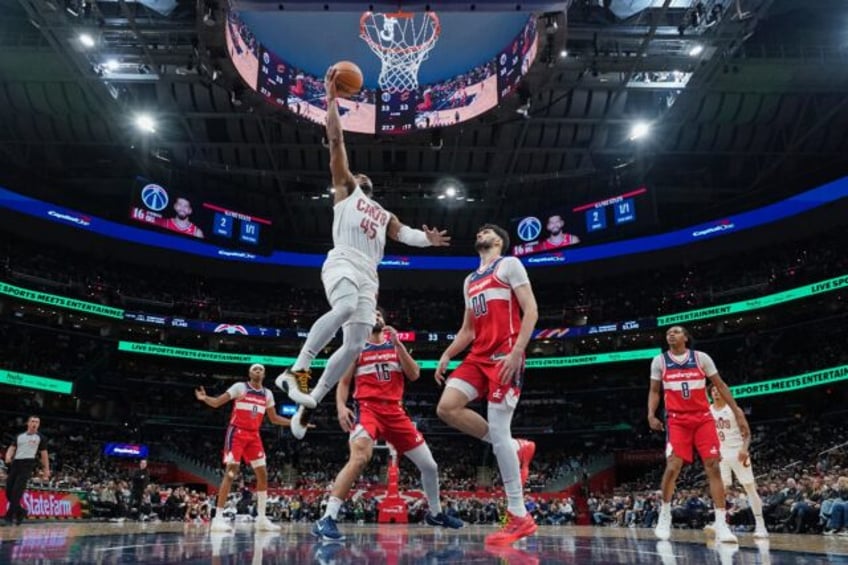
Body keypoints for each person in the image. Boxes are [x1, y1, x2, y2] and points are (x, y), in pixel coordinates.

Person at [276, 64, 450, 440]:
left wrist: (429, 240)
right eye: (360, 175)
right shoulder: (346, 189)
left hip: (370, 275)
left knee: (355, 343)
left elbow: (405, 234)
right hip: (343, 262)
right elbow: (337, 141)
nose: (363, 177)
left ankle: (312, 402)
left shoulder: (384, 213)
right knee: (341, 309)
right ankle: (297, 370)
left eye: (367, 178)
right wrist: (331, 99)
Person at [313, 309, 464, 541]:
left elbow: (414, 374)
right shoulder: (356, 348)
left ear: (384, 320)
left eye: (378, 314)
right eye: (369, 314)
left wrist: (400, 345)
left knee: (430, 465)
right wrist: (341, 407)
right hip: (367, 409)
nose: (374, 317)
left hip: (395, 411)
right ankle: (327, 518)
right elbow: (343, 383)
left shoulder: (395, 346)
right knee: (360, 458)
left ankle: (436, 514)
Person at [434, 224, 539, 546]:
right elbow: (467, 329)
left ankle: (519, 515)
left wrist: (518, 351)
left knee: (499, 427)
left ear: (499, 240)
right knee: (447, 407)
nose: (480, 232)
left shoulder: (509, 264)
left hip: (506, 354)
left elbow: (532, 310)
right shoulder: (470, 279)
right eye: (478, 230)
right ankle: (515, 447)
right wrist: (447, 355)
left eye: (487, 231)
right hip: (478, 355)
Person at [647, 325, 750, 543]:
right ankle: (664, 514)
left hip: (703, 417)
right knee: (673, 465)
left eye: (675, 332)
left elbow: (720, 385)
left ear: (685, 337)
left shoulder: (701, 358)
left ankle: (722, 524)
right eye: (668, 333)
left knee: (712, 465)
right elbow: (655, 391)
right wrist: (650, 414)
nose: (670, 334)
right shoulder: (659, 361)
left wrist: (737, 413)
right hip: (676, 419)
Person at [195, 364, 292, 532]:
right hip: (237, 433)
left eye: (261, 369)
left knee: (263, 475)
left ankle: (261, 519)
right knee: (231, 473)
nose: (258, 371)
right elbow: (218, 402)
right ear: (249, 373)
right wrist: (205, 399)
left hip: (254, 435)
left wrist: (294, 422)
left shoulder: (267, 394)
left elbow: (274, 418)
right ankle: (217, 519)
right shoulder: (240, 387)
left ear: (264, 374)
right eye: (255, 369)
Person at [705, 384, 768, 538]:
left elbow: (747, 434)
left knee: (749, 487)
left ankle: (761, 526)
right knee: (721, 488)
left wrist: (744, 449)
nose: (716, 392)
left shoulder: (735, 409)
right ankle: (719, 523)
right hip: (721, 453)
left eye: (718, 390)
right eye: (713, 390)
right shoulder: (709, 411)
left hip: (737, 450)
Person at [4, 415, 49, 525]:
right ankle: (21, 511)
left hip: (27, 464)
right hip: (16, 463)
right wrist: (8, 456)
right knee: (8, 492)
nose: (34, 424)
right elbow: (12, 447)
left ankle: (9, 516)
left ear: (38, 425)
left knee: (17, 491)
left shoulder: (40, 438)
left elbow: (44, 455)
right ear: (28, 423)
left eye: (37, 422)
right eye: (32, 421)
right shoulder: (20, 436)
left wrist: (46, 470)